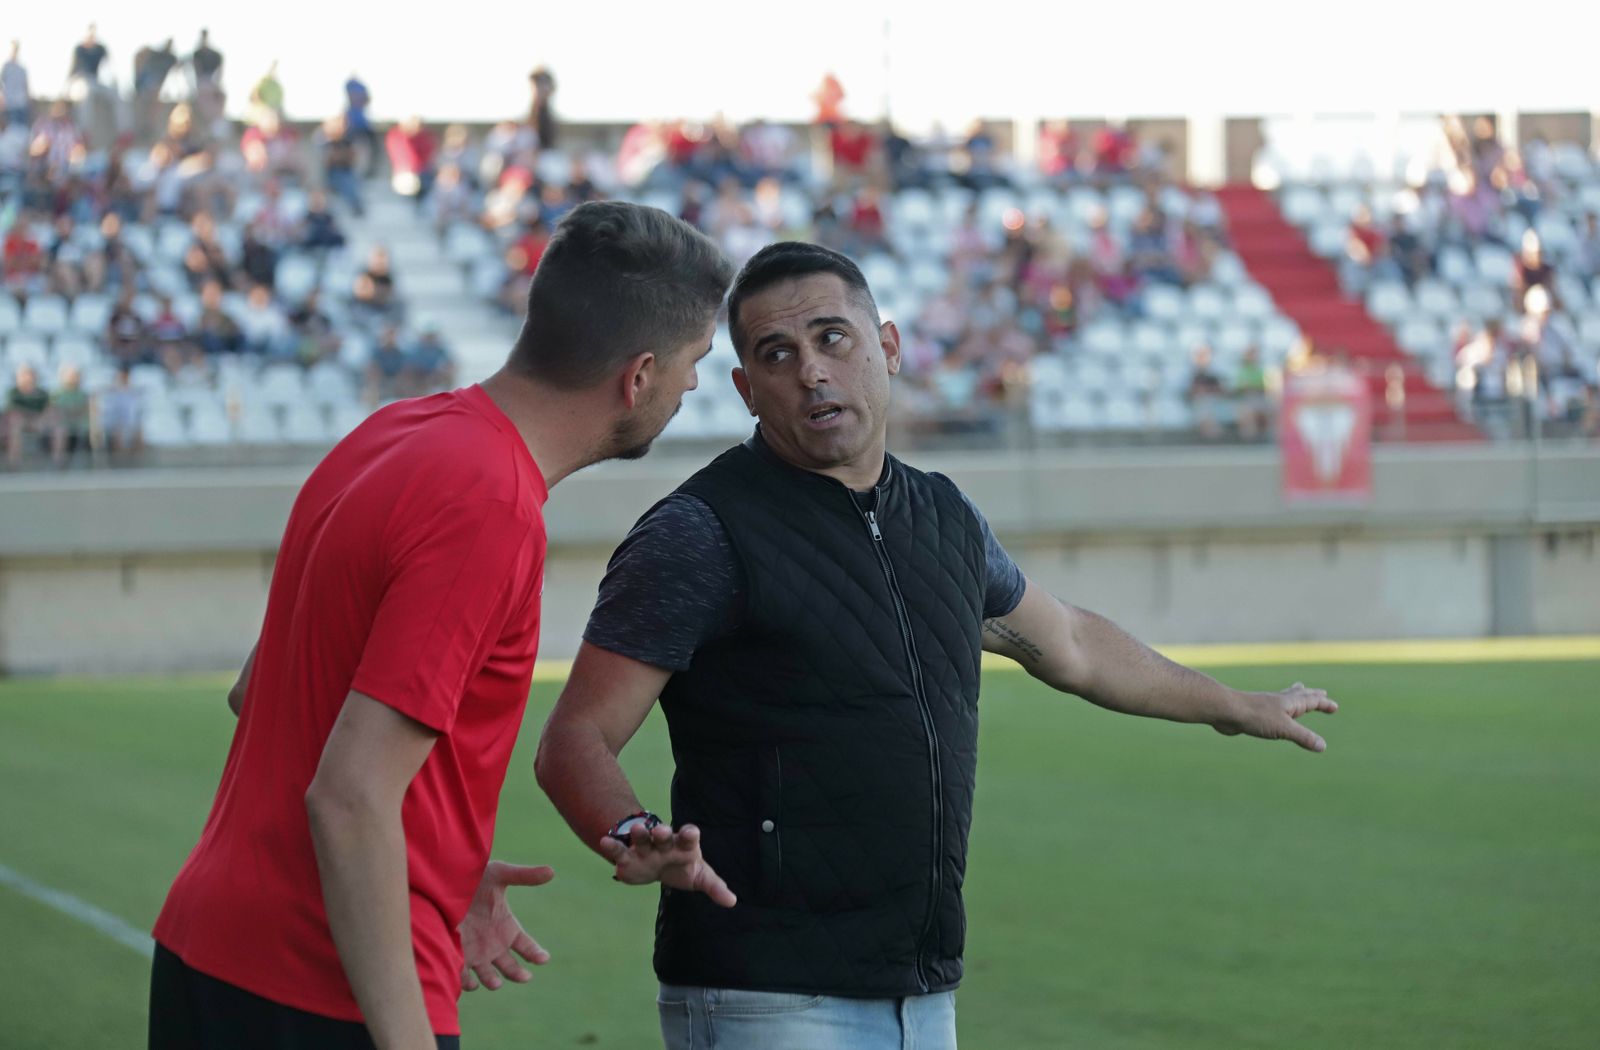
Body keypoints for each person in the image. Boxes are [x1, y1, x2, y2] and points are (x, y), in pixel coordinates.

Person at [533, 242, 1338, 1050]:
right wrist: (631, 830)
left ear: (886, 346)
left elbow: (1076, 645)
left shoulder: (946, 518)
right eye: (777, 355)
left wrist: (1232, 706)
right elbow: (576, 736)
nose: (811, 371)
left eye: (832, 338)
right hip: (765, 994)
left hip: (922, 994)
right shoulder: (698, 534)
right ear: (746, 389)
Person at [149, 202, 735, 1049]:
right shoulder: (489, 506)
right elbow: (348, 797)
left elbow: (261, 691)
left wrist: (434, 868)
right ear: (638, 375)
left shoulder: (396, 432)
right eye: (694, 364)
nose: (690, 388)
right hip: (319, 990)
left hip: (212, 952)